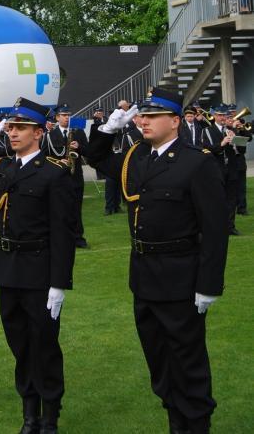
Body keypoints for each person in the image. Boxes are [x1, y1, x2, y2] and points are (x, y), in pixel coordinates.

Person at [85, 87, 228, 434]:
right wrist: (107, 129)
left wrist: (208, 285)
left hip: (181, 279)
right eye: (141, 116)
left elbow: (215, 229)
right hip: (144, 278)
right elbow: (94, 159)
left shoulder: (197, 163)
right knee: (159, 360)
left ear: (175, 121)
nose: (143, 121)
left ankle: (195, 424)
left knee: (188, 362)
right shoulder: (138, 158)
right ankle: (175, 420)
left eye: (151, 116)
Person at [0, 97, 77, 434]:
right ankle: (30, 413)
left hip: (40, 271)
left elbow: (63, 233)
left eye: (20, 128)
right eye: (10, 127)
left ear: (38, 133)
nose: (12, 133)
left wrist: (59, 284)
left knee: (44, 344)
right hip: (9, 270)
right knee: (20, 344)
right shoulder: (2, 168)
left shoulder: (54, 174)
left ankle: (50, 416)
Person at [41, 104, 88, 248]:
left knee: (76, 209)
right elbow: (43, 156)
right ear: (57, 117)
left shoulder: (78, 133)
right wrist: (57, 161)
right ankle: (61, 238)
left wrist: (79, 147)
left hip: (75, 177)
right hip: (58, 179)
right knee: (59, 210)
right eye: (64, 115)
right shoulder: (50, 135)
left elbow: (89, 152)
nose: (67, 118)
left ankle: (78, 237)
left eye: (68, 115)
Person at [201, 105, 240, 235]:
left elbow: (241, 151)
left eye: (224, 115)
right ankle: (218, 226)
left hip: (232, 169)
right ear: (215, 116)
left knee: (231, 199)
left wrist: (235, 141)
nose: (223, 118)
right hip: (217, 170)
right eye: (220, 115)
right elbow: (206, 150)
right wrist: (222, 144)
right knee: (217, 199)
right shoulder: (207, 131)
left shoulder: (230, 129)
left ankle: (230, 226)